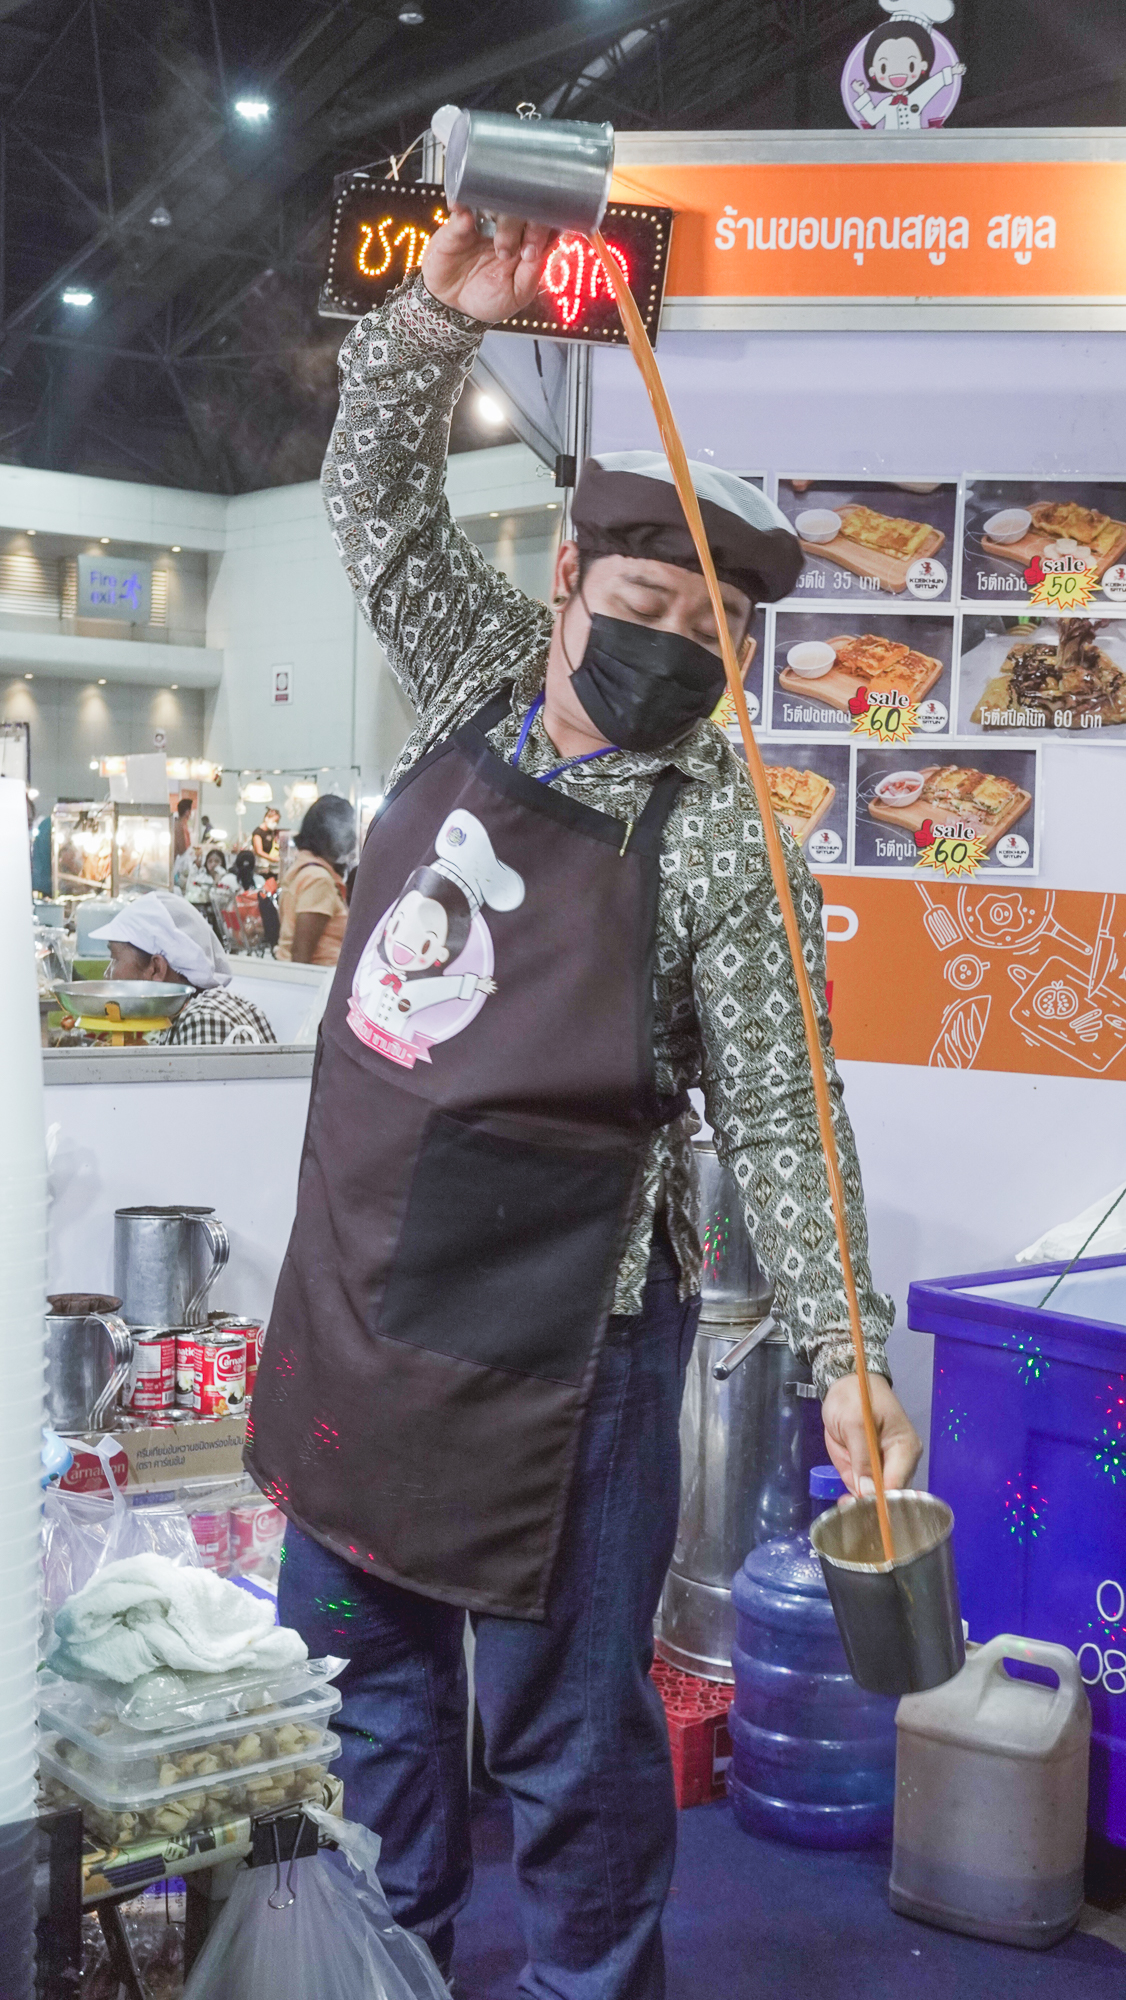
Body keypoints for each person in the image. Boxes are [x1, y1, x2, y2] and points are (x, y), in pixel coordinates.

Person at [249, 208, 921, 1997]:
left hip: (575, 1341)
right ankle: (381, 1963)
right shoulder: (471, 679)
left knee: (566, 1738)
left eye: (713, 628)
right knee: (360, 1683)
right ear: (562, 581)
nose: (675, 651)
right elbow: (374, 505)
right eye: (642, 607)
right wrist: (431, 323)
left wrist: (848, 1347)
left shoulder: (725, 835)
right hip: (364, 1284)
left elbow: (785, 1118)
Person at [90, 894, 276, 1047]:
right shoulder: (201, 1011)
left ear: (157, 968)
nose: (107, 974)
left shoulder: (202, 1021)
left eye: (115, 958)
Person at [276, 795, 356, 967]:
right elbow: (301, 955)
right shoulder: (318, 879)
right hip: (319, 983)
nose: (352, 835)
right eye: (348, 827)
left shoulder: (305, 869)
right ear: (328, 833)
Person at [250, 805, 281, 880]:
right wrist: (272, 859)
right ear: (266, 818)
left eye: (277, 822)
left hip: (271, 867)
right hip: (261, 867)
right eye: (274, 821)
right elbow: (259, 851)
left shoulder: (271, 832)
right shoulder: (258, 833)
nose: (275, 824)